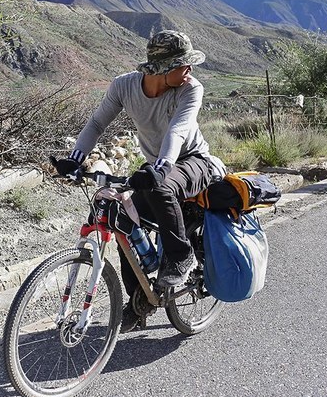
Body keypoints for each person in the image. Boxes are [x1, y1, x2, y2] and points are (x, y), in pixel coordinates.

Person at [55, 30, 225, 331]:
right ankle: (139, 299)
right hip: (159, 166)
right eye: (184, 65)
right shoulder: (124, 85)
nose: (190, 71)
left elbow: (177, 131)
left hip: (194, 162)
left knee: (160, 186)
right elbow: (97, 122)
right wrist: (76, 158)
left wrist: (160, 167)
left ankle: (180, 256)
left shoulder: (190, 89)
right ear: (163, 69)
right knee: (122, 215)